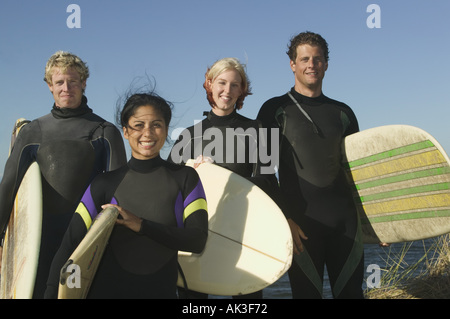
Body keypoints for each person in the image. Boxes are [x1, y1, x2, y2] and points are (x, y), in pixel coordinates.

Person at [45, 91, 208, 299]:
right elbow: (70, 244)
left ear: (167, 130)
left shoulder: (186, 178)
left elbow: (198, 240)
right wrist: (50, 293)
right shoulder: (104, 183)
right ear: (125, 131)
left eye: (156, 124)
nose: (147, 133)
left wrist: (141, 225)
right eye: (138, 125)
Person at [0, 51, 127, 298]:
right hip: (37, 241)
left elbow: (118, 195)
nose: (66, 88)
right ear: (50, 86)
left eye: (73, 81)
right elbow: (9, 187)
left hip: (84, 240)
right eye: (59, 82)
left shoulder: (104, 132)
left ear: (83, 83)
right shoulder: (32, 132)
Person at [257, 31, 365, 299]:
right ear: (292, 64)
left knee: (352, 294)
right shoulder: (274, 110)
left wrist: (377, 221)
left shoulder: (343, 112)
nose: (311, 65)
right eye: (304, 59)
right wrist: (285, 218)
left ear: (326, 64)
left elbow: (358, 173)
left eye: (317, 59)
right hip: (302, 227)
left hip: (346, 224)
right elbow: (264, 170)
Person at [169, 57, 280, 299]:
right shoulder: (189, 136)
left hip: (244, 234)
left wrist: (218, 177)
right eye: (221, 82)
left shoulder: (259, 130)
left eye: (235, 85)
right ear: (209, 84)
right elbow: (168, 187)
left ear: (242, 90)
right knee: (194, 302)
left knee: (247, 301)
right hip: (196, 234)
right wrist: (193, 172)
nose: (227, 90)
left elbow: (269, 181)